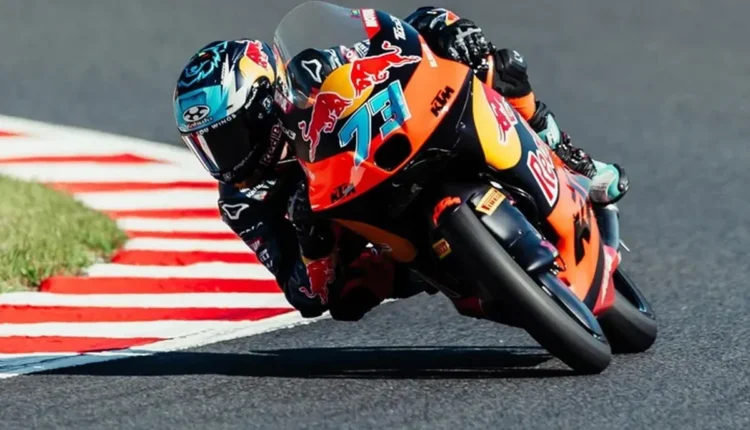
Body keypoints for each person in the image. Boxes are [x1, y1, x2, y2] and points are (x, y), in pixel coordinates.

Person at [172, 7, 630, 322]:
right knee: (346, 300)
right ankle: (461, 269)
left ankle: (573, 160)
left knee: (490, 60)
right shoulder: (241, 201)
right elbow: (306, 297)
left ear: (262, 106)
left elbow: (390, 43)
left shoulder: (306, 78)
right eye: (204, 145)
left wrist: (441, 33)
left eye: (226, 138)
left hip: (401, 141)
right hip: (371, 235)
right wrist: (313, 245)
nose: (221, 159)